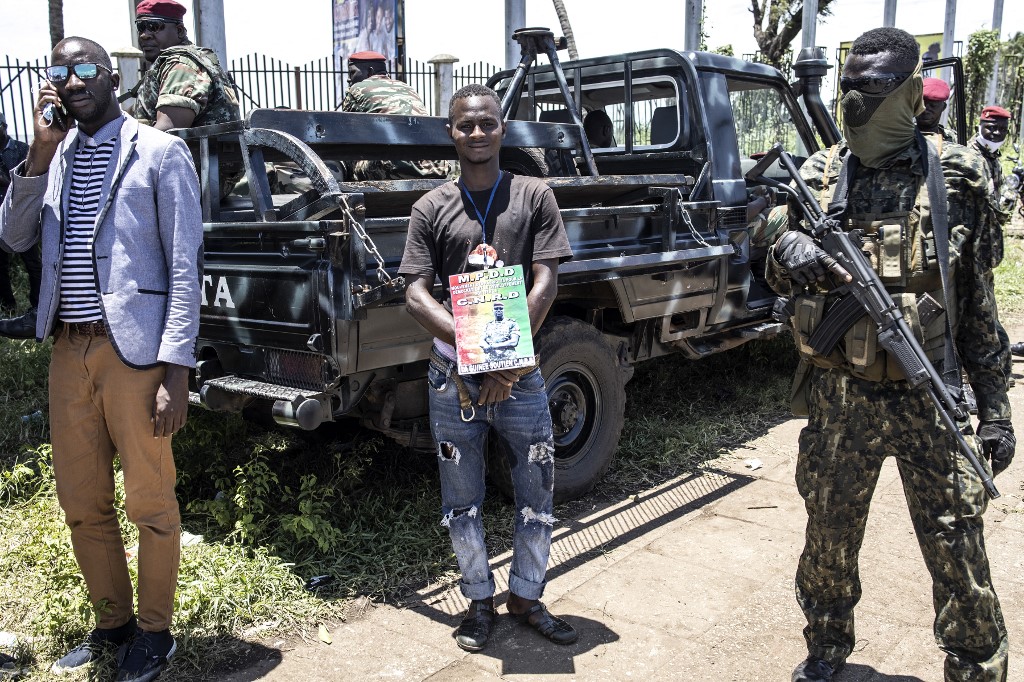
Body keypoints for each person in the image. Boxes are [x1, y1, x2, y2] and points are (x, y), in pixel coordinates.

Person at [766, 27, 1013, 682]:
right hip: (840, 400)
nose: (854, 100)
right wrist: (786, 253)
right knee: (827, 544)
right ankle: (825, 649)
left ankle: (976, 664)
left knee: (959, 552)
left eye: (872, 88)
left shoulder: (955, 180)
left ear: (908, 92)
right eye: (847, 85)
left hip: (929, 399)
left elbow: (980, 310)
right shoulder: (817, 176)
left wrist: (995, 412)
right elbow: (770, 262)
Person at [0, 36, 202, 682]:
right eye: (60, 70)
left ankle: (155, 632)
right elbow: (12, 235)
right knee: (81, 500)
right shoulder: (56, 157)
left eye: (85, 67)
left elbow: (183, 265)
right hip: (69, 348)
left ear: (114, 77)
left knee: (150, 501)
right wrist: (37, 152)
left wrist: (176, 370)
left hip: (134, 356)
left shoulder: (159, 151)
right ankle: (111, 621)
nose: (72, 79)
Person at [399, 84, 577, 652]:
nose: (477, 133)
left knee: (537, 488)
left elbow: (546, 279)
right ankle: (478, 600)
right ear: (451, 133)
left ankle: (526, 595)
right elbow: (415, 295)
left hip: (520, 375)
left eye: (487, 123)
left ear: (504, 129)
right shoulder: (430, 207)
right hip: (453, 377)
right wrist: (475, 347)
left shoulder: (533, 195)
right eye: (465, 125)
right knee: (461, 497)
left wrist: (503, 355)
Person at [131, 0, 239, 131]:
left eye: (154, 26)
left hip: (194, 151)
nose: (144, 35)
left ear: (180, 31)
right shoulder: (184, 61)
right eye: (141, 27)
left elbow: (168, 130)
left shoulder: (182, 65)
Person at [341, 51, 448, 181]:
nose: (349, 79)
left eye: (352, 73)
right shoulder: (407, 87)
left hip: (396, 167)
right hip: (435, 166)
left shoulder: (357, 89)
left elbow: (346, 133)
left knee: (346, 160)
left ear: (370, 71)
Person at [0, 111, 42, 337]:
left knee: (33, 264)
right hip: (0, 219)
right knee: (1, 266)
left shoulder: (21, 149)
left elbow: (30, 184)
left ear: (4, 126)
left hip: (22, 219)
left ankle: (37, 308)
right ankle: (8, 306)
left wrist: (5, 181)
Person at [916, 77, 955, 143]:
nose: (925, 110)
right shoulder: (902, 136)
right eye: (921, 105)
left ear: (943, 108)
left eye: (932, 106)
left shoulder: (951, 138)